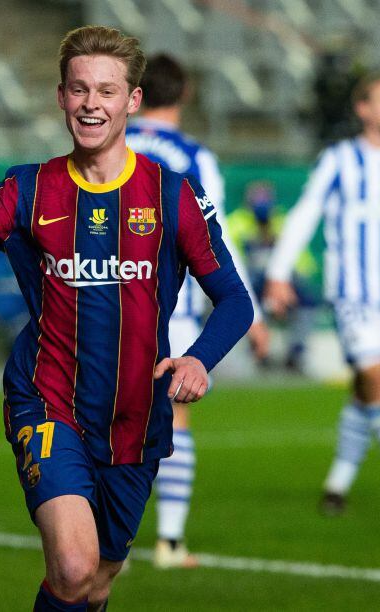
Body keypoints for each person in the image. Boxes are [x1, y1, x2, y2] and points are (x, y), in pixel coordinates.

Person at [0, 26, 253, 610]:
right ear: (61, 97)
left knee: (95, 582)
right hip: (47, 400)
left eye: (108, 91)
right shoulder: (26, 189)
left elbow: (235, 301)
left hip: (135, 416)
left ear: (132, 101)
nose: (92, 104)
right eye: (80, 89)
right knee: (72, 567)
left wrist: (198, 358)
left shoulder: (173, 196)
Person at [264, 71, 380, 516]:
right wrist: (278, 272)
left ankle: (335, 489)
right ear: (363, 109)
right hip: (354, 297)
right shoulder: (340, 160)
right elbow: (306, 214)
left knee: (367, 394)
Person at [125, 53, 269, 569]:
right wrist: (251, 315)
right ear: (183, 95)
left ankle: (89, 531)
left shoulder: (107, 145)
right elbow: (216, 238)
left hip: (107, 305)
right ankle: (168, 541)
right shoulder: (191, 154)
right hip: (175, 309)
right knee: (175, 418)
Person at [227, 181, 320, 372]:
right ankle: (259, 350)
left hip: (280, 284)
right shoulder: (236, 222)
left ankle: (297, 351)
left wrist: (283, 285)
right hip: (249, 283)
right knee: (246, 303)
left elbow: (303, 263)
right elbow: (231, 260)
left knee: (307, 301)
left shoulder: (282, 222)